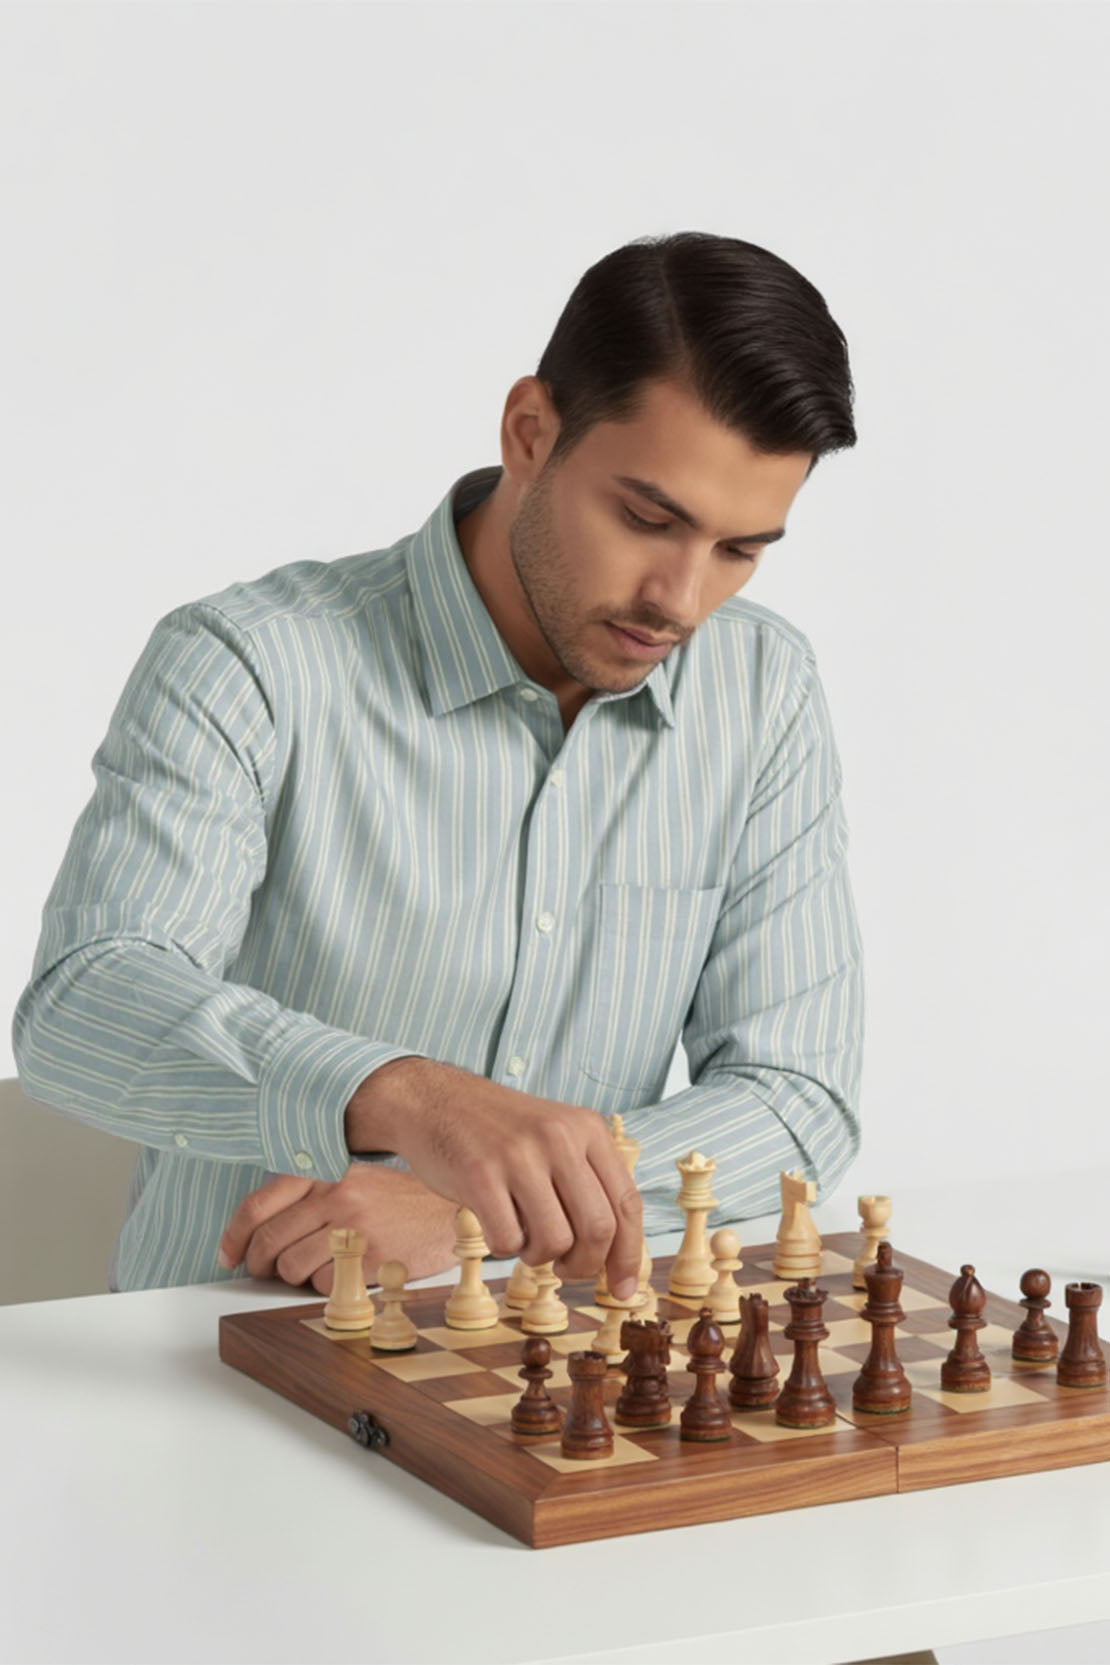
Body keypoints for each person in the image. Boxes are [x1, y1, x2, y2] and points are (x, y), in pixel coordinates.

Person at [12, 230, 864, 1302]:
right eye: (648, 518)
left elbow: (798, 1099)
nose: (681, 600)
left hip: (557, 1378)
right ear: (529, 431)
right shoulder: (250, 664)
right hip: (224, 1361)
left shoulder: (762, 692)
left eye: (740, 550)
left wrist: (483, 1206)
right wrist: (401, 1095)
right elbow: (82, 1005)